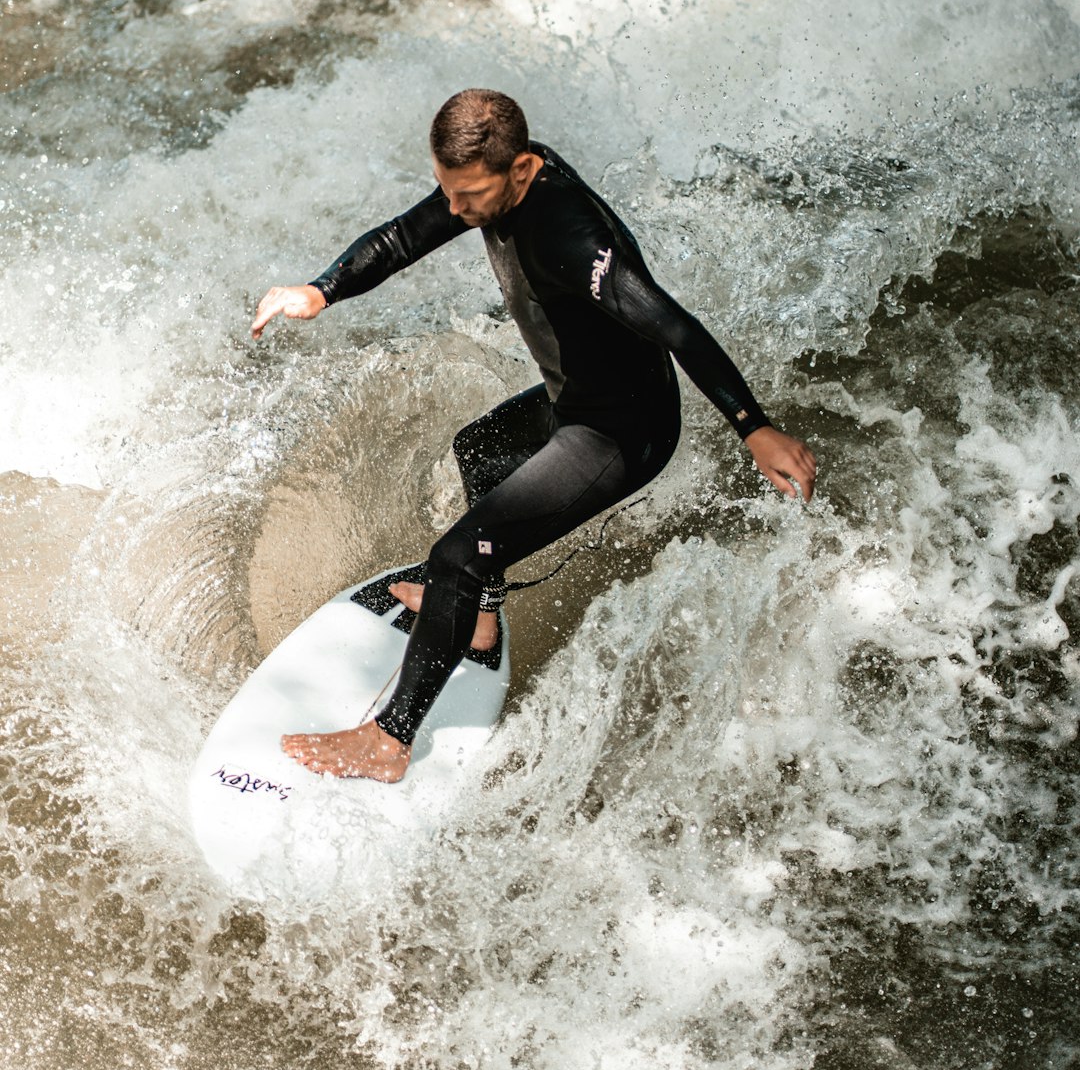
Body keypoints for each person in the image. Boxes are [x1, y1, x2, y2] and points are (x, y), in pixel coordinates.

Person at [252, 89, 816, 783]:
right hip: (574, 394)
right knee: (479, 450)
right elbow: (402, 238)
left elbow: (673, 325)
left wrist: (753, 427)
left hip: (619, 430)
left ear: (520, 171)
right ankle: (480, 622)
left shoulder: (574, 238)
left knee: (456, 555)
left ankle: (389, 740)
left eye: (468, 196)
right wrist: (320, 290)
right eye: (447, 192)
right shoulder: (488, 184)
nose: (455, 211)